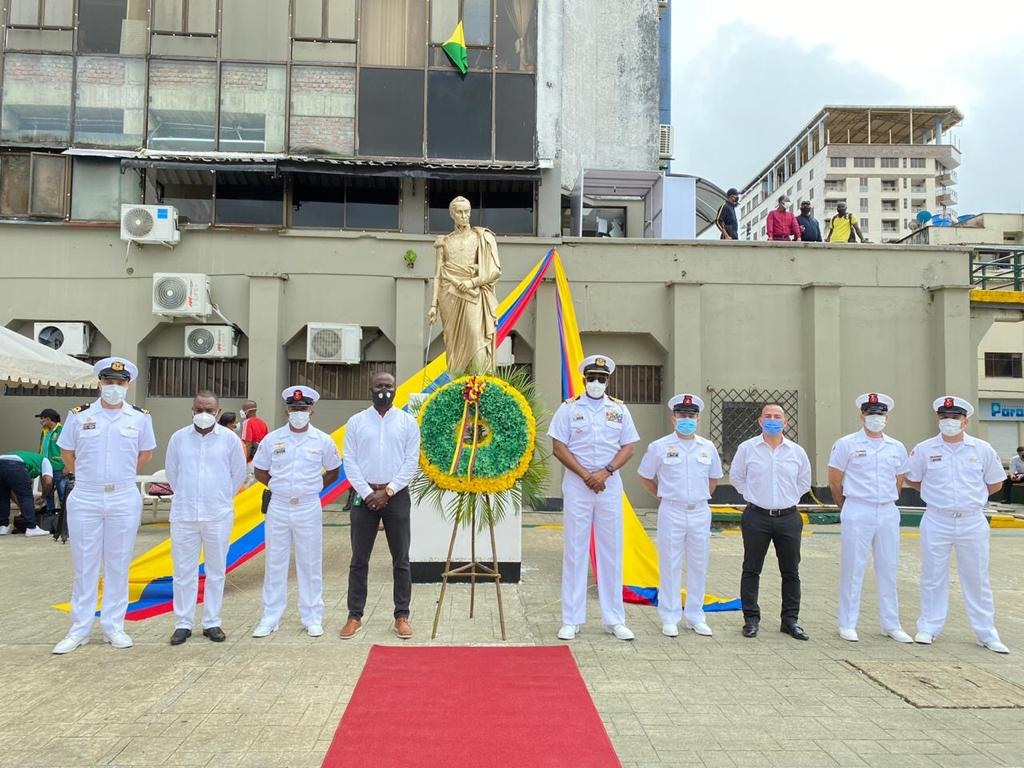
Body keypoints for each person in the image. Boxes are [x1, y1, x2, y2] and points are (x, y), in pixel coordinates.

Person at [52, 357, 156, 655]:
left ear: (128, 385)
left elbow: (144, 454)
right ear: (100, 383)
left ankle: (114, 626)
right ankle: (79, 628)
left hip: (123, 496)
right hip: (86, 496)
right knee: (84, 565)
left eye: (120, 383)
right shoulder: (79, 415)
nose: (114, 388)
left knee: (118, 563)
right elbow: (67, 453)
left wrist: (118, 477)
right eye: (108, 382)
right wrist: (88, 477)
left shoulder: (139, 417)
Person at [904, 396, 1009, 654]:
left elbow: (995, 483)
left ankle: (986, 633)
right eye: (944, 417)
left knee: (977, 578)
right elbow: (914, 480)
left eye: (954, 417)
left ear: (966, 421)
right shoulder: (925, 449)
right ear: (938, 419)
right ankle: (928, 627)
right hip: (937, 518)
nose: (949, 422)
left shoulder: (981, 449)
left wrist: (970, 499)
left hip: (972, 520)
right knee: (932, 575)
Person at [549, 355, 640, 641]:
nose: (597, 383)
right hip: (578, 485)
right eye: (592, 378)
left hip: (609, 485)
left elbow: (629, 446)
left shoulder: (619, 410)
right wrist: (586, 475)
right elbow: (558, 446)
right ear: (584, 379)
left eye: (602, 379)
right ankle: (571, 619)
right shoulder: (568, 409)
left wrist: (605, 472)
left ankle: (614, 619)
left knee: (611, 551)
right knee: (575, 550)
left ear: (607, 381)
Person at [251, 386, 341, 639]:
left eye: (302, 409)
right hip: (278, 505)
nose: (298, 412)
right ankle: (270, 617)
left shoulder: (322, 440)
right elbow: (260, 470)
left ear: (311, 410)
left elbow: (333, 470)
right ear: (287, 410)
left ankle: (312, 617)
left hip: (308, 506)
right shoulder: (272, 439)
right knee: (275, 562)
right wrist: (279, 487)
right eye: (294, 408)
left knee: (310, 562)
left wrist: (312, 488)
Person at [339, 372, 420, 640]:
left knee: (401, 559)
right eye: (379, 386)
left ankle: (402, 616)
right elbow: (349, 460)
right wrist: (367, 492)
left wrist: (388, 491)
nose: (383, 390)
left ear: (395, 390)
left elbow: (412, 461)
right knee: (359, 559)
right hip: (364, 496)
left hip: (396, 495)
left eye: (388, 386)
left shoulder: (408, 422)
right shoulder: (357, 422)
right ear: (370, 389)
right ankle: (354, 616)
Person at [827, 393, 913, 644]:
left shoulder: (896, 447)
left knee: (889, 567)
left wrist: (884, 500)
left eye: (880, 414)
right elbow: (834, 481)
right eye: (870, 413)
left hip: (887, 510)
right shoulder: (846, 443)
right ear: (861, 415)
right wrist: (848, 506)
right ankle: (847, 623)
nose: (875, 418)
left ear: (887, 417)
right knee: (853, 568)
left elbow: (899, 481)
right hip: (857, 508)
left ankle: (891, 623)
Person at [165, 391, 247, 646]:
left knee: (216, 570)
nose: (204, 414)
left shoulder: (230, 440)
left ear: (218, 412)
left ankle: (212, 621)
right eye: (199, 409)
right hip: (185, 513)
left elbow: (238, 474)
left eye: (209, 410)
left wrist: (220, 497)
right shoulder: (179, 438)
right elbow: (172, 473)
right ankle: (183, 623)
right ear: (192, 410)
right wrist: (190, 496)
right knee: (183, 571)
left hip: (217, 514)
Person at [637, 394, 722, 638]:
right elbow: (644, 476)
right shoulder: (659, 446)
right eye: (683, 415)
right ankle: (670, 617)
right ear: (674, 418)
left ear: (698, 418)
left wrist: (699, 495)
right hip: (671, 511)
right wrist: (661, 495)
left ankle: (695, 616)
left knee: (699, 564)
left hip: (699, 511)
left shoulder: (707, 447)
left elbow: (713, 478)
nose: (687, 420)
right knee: (670, 564)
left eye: (692, 416)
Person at [730, 404, 812, 640]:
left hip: (788, 518)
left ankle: (790, 621)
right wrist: (753, 496)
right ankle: (751, 620)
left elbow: (804, 482)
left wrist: (786, 499)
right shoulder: (747, 449)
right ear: (760, 421)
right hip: (756, 517)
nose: (773, 420)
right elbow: (736, 477)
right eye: (768, 417)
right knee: (751, 569)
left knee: (791, 571)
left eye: (778, 417)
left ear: (786, 423)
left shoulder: (796, 452)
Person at [427, 195, 502, 375]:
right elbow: (438, 275)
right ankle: (457, 384)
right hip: (449, 296)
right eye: (460, 212)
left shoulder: (482, 237)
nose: (464, 216)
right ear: (452, 214)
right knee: (452, 342)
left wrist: (471, 282)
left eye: (467, 211)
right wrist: (433, 305)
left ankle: (480, 385)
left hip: (472, 295)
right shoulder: (444, 241)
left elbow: (495, 271)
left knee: (476, 337)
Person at [0, 450, 53, 537]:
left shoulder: (28, 460)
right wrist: (43, 496)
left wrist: (21, 505)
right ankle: (31, 528)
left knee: (3, 496)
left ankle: (3, 527)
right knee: (26, 496)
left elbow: (11, 491)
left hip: (1, 460)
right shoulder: (46, 461)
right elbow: (48, 482)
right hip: (15, 464)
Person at [36, 408, 66, 515]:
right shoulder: (45, 432)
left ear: (48, 419)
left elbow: (69, 449)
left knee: (63, 494)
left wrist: (67, 467)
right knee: (48, 494)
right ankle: (50, 517)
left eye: (42, 419)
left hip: (59, 469)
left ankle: (64, 521)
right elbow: (41, 449)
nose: (41, 422)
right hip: (45, 468)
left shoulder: (62, 430)